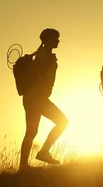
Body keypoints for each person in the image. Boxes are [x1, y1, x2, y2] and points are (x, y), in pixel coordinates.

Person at [19, 28, 69, 170]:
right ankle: (44, 152)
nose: (58, 41)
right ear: (48, 40)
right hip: (37, 99)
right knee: (62, 121)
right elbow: (36, 77)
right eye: (55, 38)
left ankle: (23, 167)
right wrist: (39, 93)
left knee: (31, 132)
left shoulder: (43, 55)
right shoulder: (44, 57)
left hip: (31, 99)